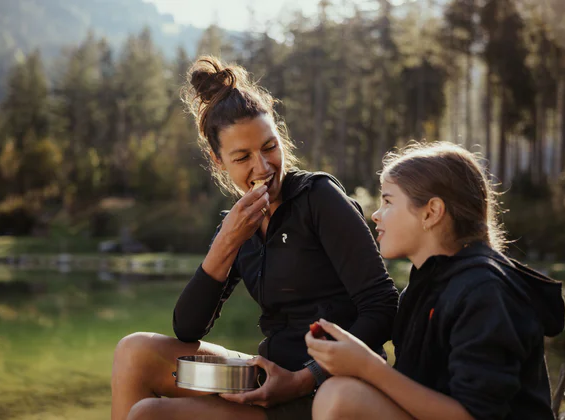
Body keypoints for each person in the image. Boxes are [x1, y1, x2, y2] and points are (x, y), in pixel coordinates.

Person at [110, 56, 399, 420]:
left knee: (148, 415)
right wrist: (226, 242)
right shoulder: (239, 225)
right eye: (242, 156)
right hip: (268, 377)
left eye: (269, 147)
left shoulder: (319, 199)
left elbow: (384, 306)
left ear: (280, 136)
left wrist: (303, 378)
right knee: (134, 351)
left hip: (328, 386)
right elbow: (187, 328)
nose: (262, 167)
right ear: (219, 161)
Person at [305, 142, 565, 420]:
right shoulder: (423, 288)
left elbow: (477, 415)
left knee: (342, 398)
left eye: (388, 201)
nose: (376, 214)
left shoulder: (485, 292)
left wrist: (368, 366)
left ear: (431, 212)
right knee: (341, 391)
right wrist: (350, 361)